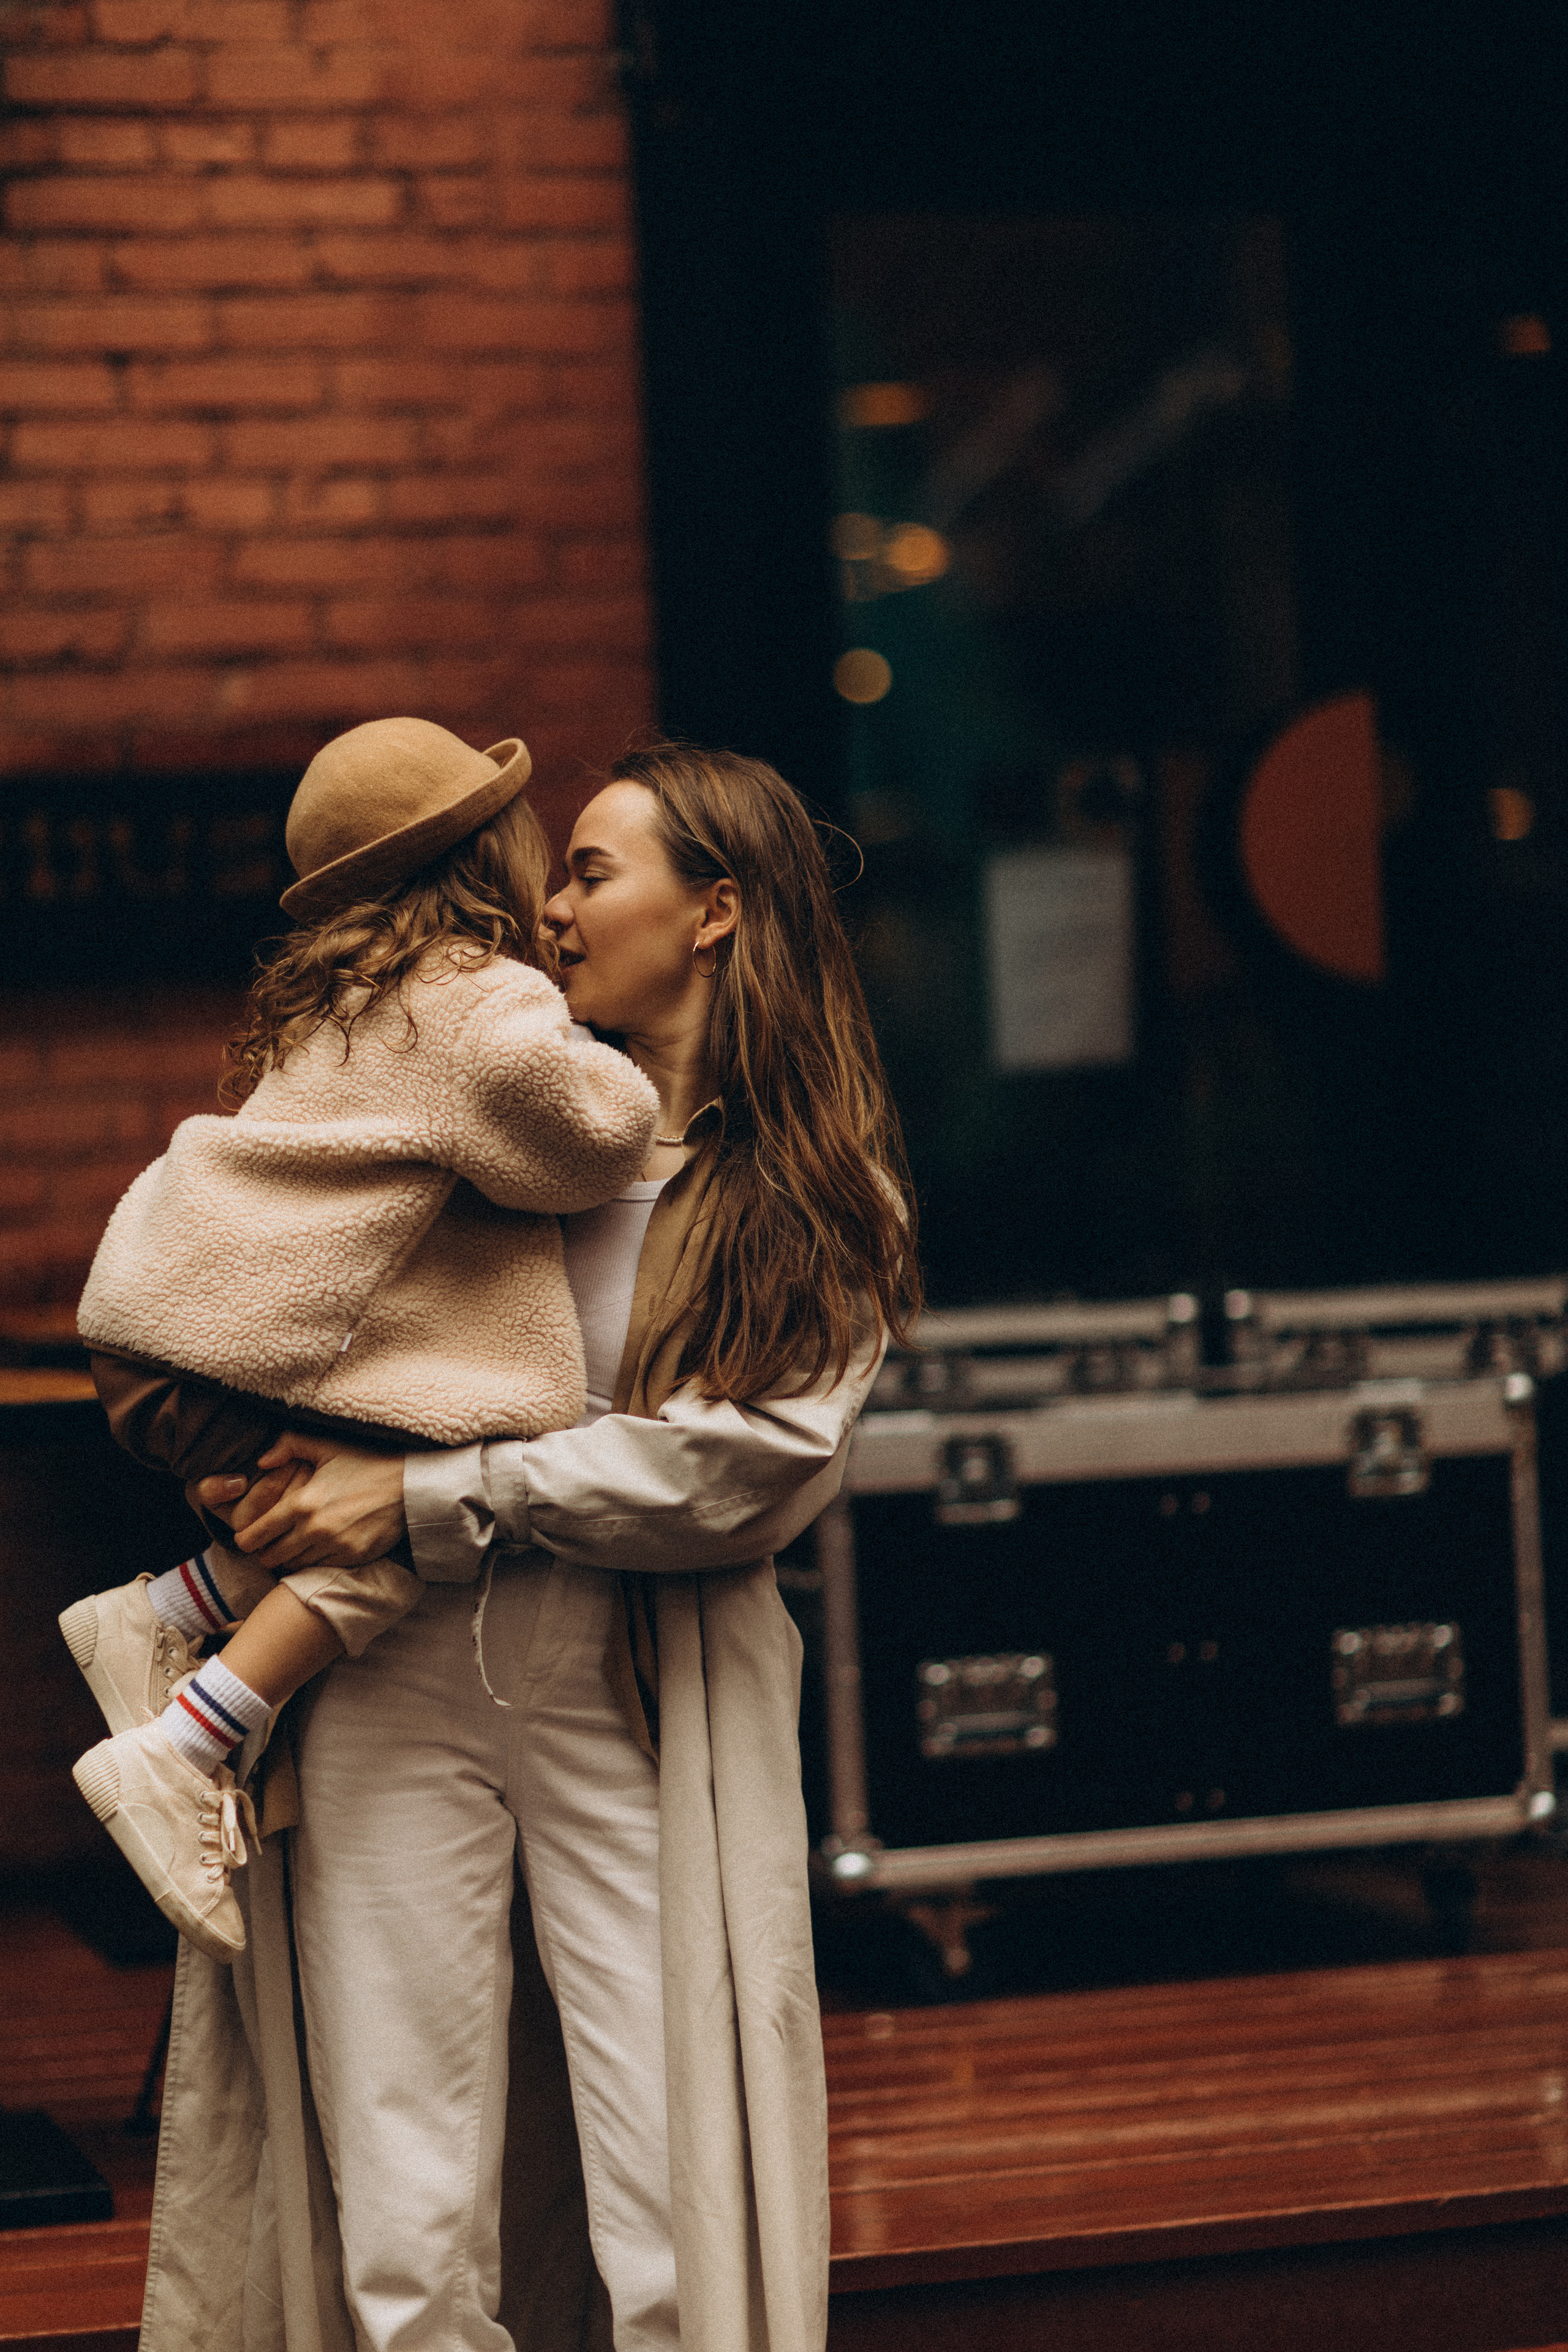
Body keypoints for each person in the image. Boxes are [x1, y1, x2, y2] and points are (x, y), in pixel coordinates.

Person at [140, 742, 919, 2352]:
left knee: (671, 2188)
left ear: (714, 912)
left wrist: (425, 1495)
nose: (547, 908)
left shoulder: (813, 1191)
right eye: (552, 872)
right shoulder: (484, 1117)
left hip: (640, 1691)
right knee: (403, 2209)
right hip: (389, 1677)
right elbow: (279, 1307)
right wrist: (240, 1457)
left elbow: (753, 1469)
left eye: (591, 871)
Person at [66, 715, 658, 1964]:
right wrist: (611, 1057)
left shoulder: (349, 994)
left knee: (323, 1503)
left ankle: (167, 1609)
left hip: (163, 1344)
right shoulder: (474, 1002)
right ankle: (183, 1749)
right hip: (223, 1349)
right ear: (488, 856)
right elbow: (587, 1140)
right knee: (391, 1533)